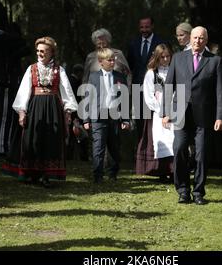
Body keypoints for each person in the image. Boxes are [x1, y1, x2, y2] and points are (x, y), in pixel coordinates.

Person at [163, 26, 222, 205]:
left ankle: (198, 192)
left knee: (201, 154)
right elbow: (169, 86)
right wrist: (165, 112)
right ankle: (183, 190)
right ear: (190, 38)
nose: (197, 41)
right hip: (180, 113)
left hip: (204, 115)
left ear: (206, 41)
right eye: (195, 38)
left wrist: (220, 116)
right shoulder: (178, 58)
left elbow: (220, 91)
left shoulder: (214, 61)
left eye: (201, 38)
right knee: (180, 149)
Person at [5, 37, 78, 187]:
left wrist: (68, 111)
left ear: (51, 52)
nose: (39, 54)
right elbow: (24, 90)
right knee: (33, 139)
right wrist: (22, 111)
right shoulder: (31, 69)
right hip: (35, 107)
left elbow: (67, 92)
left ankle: (47, 175)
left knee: (50, 139)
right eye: (38, 51)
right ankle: (31, 174)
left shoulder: (59, 70)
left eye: (43, 51)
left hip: (53, 108)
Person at [83, 48, 130, 183]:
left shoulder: (120, 77)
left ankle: (113, 173)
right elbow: (88, 97)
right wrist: (86, 118)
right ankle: (97, 175)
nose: (112, 62)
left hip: (114, 115)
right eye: (109, 60)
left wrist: (125, 119)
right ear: (100, 62)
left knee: (114, 146)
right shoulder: (93, 77)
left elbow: (125, 99)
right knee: (98, 146)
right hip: (98, 115)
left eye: (113, 59)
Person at [136, 44, 174, 181]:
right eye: (162, 57)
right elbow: (148, 96)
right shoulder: (151, 73)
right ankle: (161, 171)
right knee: (159, 140)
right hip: (157, 114)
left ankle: (174, 171)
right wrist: (162, 111)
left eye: (167, 56)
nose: (165, 59)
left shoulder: (174, 71)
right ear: (157, 58)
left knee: (174, 140)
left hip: (174, 113)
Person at [127, 17, 166, 139]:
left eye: (147, 27)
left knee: (154, 119)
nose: (144, 29)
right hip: (138, 87)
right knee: (140, 121)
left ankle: (155, 152)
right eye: (142, 27)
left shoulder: (160, 42)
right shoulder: (133, 43)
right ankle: (142, 152)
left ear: (152, 26)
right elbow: (130, 65)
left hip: (156, 87)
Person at [67, 64, 89, 161]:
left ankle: (71, 156)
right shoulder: (75, 82)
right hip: (76, 113)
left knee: (73, 136)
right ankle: (81, 156)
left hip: (73, 112)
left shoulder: (70, 81)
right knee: (79, 135)